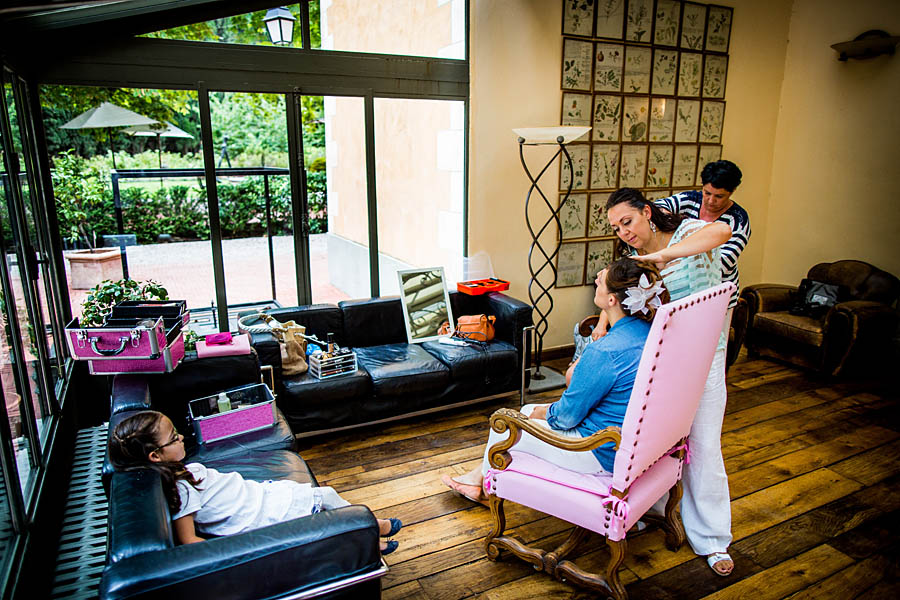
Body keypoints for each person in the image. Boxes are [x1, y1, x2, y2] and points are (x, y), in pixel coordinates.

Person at [441, 258, 669, 501]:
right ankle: (478, 481)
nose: (595, 281)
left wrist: (544, 411)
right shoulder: (653, 334)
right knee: (525, 411)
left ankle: (487, 491)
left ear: (611, 300)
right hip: (638, 445)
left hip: (599, 450)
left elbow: (566, 417)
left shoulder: (606, 351)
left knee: (505, 423)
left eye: (600, 281)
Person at [605, 188, 735, 577]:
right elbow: (623, 305)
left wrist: (663, 256)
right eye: (616, 228)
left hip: (706, 359)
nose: (623, 232)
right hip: (666, 362)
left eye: (627, 222)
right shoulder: (632, 262)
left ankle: (712, 539)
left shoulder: (689, 234)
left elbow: (722, 233)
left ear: (647, 213)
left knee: (705, 447)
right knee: (657, 446)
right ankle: (650, 511)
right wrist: (599, 327)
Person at [109, 410, 403, 554]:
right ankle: (373, 531)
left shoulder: (183, 472)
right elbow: (189, 541)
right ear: (155, 455)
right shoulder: (181, 489)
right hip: (257, 515)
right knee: (325, 499)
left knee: (326, 501)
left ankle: (369, 534)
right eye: (174, 437)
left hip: (257, 497)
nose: (182, 437)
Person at [654, 159, 751, 327]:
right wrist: (667, 220)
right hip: (681, 290)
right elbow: (655, 209)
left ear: (732, 192)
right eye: (707, 193)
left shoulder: (738, 220)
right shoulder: (690, 199)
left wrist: (672, 256)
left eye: (719, 196)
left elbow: (723, 262)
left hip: (716, 294)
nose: (710, 200)